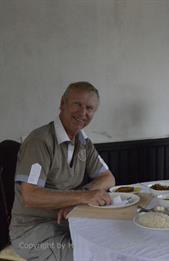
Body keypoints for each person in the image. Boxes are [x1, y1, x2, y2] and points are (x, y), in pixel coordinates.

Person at [9, 81, 115, 261]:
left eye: (89, 108)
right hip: (33, 232)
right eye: (77, 104)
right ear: (62, 103)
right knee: (89, 257)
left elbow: (108, 178)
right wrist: (81, 198)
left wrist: (78, 198)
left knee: (113, 244)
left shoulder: (83, 142)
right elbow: (30, 195)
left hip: (71, 223)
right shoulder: (39, 141)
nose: (83, 113)